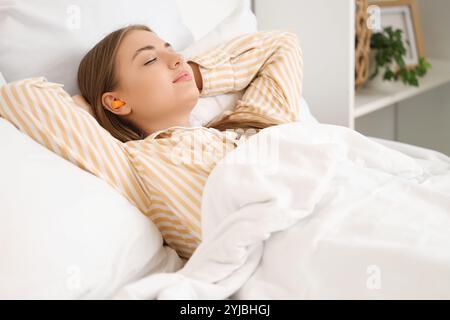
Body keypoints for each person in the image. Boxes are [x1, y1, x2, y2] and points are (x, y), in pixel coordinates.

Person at [2, 24, 304, 259]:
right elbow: (20, 97)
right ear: (116, 102)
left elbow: (281, 46)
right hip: (285, 246)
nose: (177, 58)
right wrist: (95, 108)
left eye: (170, 49)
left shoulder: (249, 126)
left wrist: (191, 76)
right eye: (150, 60)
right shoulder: (134, 164)